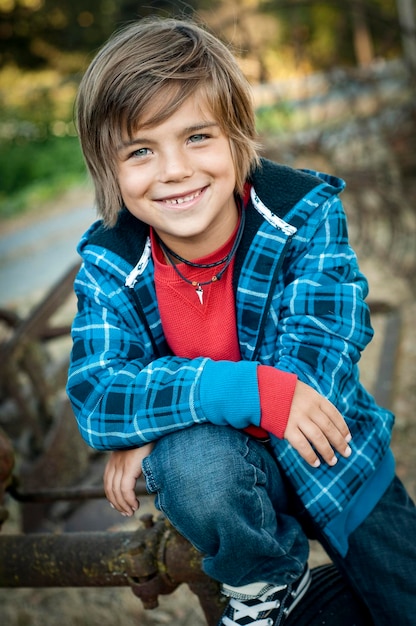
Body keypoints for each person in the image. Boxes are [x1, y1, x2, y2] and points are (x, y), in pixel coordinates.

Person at [67, 16, 416, 626]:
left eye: (197, 136)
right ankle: (267, 585)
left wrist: (151, 421)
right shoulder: (111, 263)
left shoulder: (303, 217)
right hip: (225, 487)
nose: (174, 169)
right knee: (195, 460)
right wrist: (238, 392)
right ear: (109, 168)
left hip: (332, 461)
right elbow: (98, 396)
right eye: (141, 150)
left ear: (236, 137)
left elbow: (312, 370)